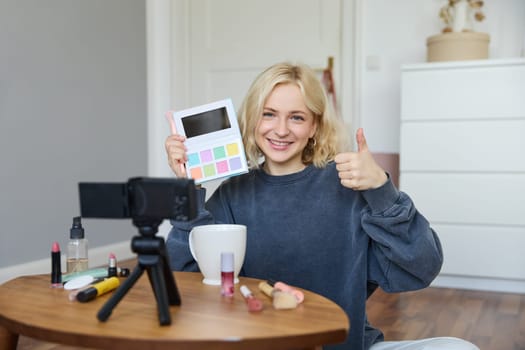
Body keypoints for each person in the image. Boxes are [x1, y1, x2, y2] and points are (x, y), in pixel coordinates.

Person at [164, 62, 479, 350]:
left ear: (314, 126)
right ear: (253, 119)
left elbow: (422, 269)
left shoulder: (348, 186)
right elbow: (188, 281)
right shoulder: (233, 193)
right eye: (269, 114)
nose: (282, 129)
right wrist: (187, 189)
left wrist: (382, 190)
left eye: (297, 117)